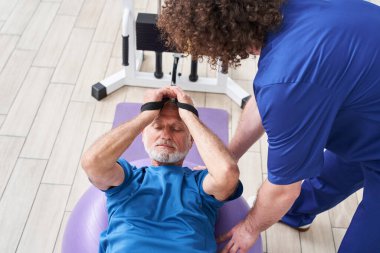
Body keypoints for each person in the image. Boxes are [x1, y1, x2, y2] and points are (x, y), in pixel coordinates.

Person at [157, 0, 380, 252]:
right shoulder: (289, 12)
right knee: (344, 166)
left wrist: (250, 227)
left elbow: (283, 189)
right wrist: (228, 157)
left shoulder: (287, 76)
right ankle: (295, 213)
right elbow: (269, 97)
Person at [81, 86, 243, 253]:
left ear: (191, 140)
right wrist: (147, 114)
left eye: (177, 128)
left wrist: (188, 115)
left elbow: (226, 173)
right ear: (142, 134)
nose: (165, 135)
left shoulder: (199, 183)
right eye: (157, 127)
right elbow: (93, 162)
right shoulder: (127, 179)